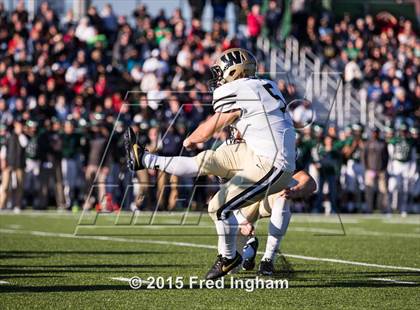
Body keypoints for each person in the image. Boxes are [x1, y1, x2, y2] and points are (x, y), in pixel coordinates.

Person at [125, 48, 296, 280]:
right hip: (256, 151)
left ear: (235, 71)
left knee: (218, 207)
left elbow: (217, 122)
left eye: (221, 72)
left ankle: (228, 257)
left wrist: (191, 138)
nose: (218, 79)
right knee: (206, 160)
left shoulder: (241, 88)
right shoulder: (262, 85)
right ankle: (145, 159)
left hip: (271, 163)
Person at [236, 170, 316, 275]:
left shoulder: (279, 156)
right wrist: (241, 220)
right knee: (231, 267)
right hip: (242, 205)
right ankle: (249, 251)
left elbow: (309, 182)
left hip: (268, 197)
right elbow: (225, 200)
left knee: (283, 194)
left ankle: (268, 259)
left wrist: (294, 191)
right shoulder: (237, 157)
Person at [0, 119, 27, 212]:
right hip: (9, 164)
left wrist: (20, 134)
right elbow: (4, 148)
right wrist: (3, 160)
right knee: (5, 186)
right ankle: (2, 204)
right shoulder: (9, 135)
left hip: (19, 164)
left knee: (19, 186)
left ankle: (17, 205)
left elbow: (24, 144)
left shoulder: (23, 136)